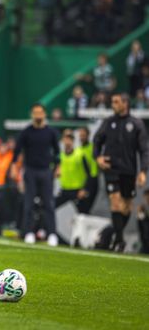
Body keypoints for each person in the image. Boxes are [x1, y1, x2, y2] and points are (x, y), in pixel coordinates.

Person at [93, 93, 149, 252]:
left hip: (129, 170)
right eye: (112, 102)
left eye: (116, 102)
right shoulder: (108, 122)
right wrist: (98, 158)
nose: (113, 105)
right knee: (115, 200)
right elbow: (97, 141)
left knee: (126, 207)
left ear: (125, 103)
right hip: (111, 168)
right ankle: (120, 240)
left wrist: (143, 171)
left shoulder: (136, 124)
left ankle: (114, 236)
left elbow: (144, 150)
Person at [11, 104, 60, 246]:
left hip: (46, 171)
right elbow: (16, 152)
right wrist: (15, 168)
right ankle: (29, 233)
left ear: (44, 114)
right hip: (30, 171)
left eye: (40, 113)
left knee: (49, 204)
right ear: (32, 114)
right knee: (29, 204)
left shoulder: (51, 132)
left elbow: (57, 152)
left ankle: (51, 234)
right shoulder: (26, 132)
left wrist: (58, 167)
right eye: (35, 113)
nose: (38, 115)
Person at [55, 130, 91, 210]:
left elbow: (89, 173)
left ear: (73, 141)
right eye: (66, 139)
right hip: (64, 190)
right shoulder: (60, 156)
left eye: (70, 139)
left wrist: (84, 189)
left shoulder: (80, 155)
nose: (68, 142)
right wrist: (56, 171)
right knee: (52, 208)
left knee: (82, 213)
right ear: (63, 140)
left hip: (77, 191)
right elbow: (56, 172)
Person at [77, 127, 99, 214]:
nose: (82, 137)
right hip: (80, 184)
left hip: (90, 183)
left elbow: (93, 172)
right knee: (81, 210)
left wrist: (87, 188)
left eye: (83, 135)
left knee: (86, 209)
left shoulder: (92, 149)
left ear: (88, 135)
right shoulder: (78, 150)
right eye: (80, 135)